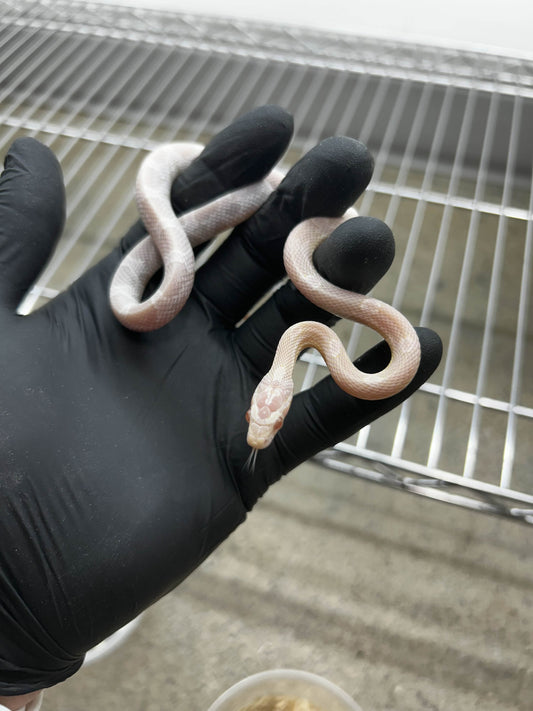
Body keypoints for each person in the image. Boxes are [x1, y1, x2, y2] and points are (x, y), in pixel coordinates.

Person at [0, 105, 442, 710]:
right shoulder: (287, 360)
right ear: (271, 400)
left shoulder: (297, 349)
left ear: (272, 396)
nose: (260, 427)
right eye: (264, 415)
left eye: (265, 414)